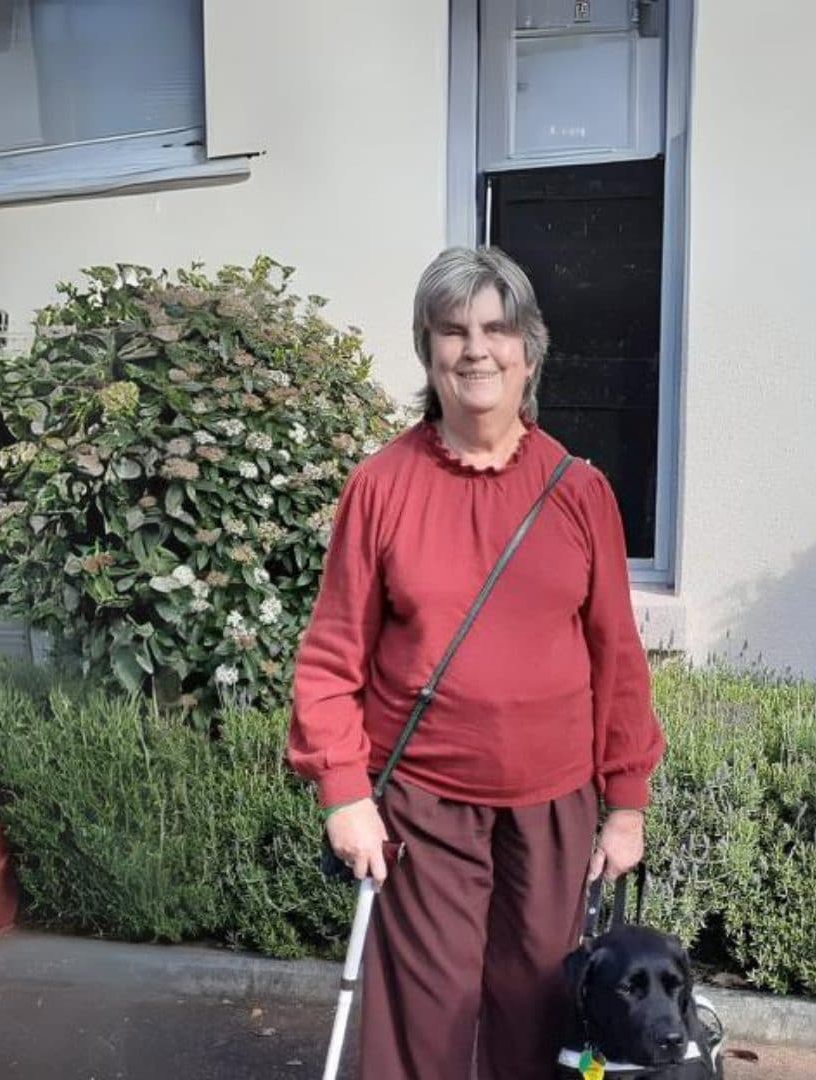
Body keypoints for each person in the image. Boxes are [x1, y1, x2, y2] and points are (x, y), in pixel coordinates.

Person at [288, 246, 664, 1079]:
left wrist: (626, 802)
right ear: (427, 350)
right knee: (426, 1015)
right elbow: (331, 654)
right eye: (452, 330)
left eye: (497, 329)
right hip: (424, 804)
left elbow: (616, 656)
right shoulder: (380, 486)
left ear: (529, 349)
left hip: (554, 806)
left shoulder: (579, 490)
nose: (475, 349)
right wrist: (345, 792)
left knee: (537, 1010)